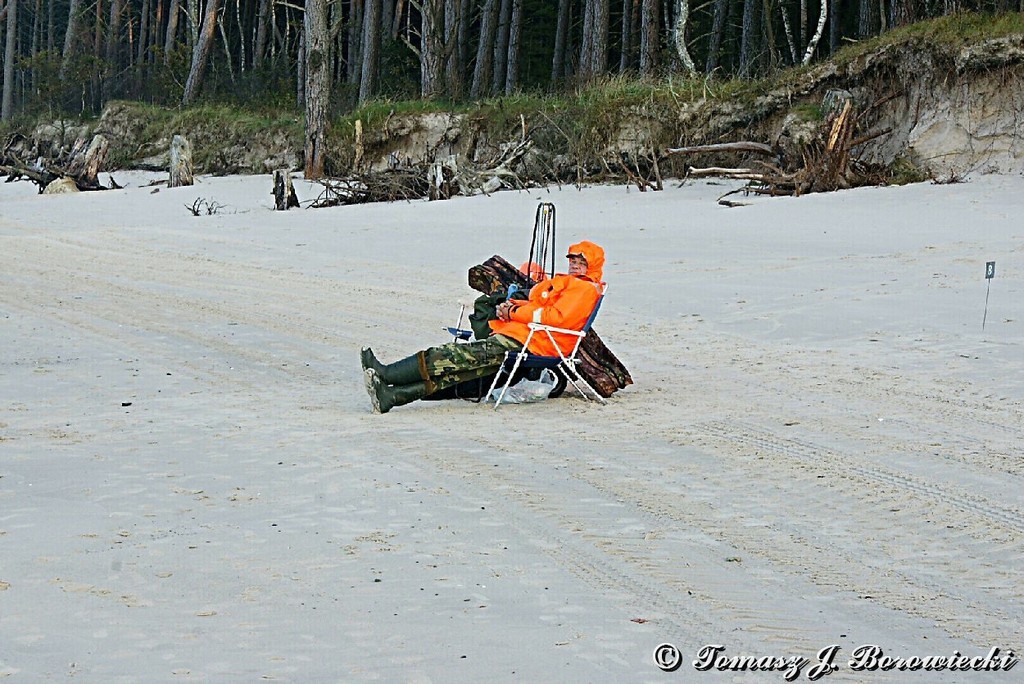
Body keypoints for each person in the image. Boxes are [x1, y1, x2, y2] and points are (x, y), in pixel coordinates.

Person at [361, 240, 605, 414]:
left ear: (592, 266)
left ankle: (387, 373)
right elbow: (539, 306)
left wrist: (513, 312)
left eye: (581, 261)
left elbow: (555, 317)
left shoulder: (583, 289)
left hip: (534, 343)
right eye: (573, 260)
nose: (574, 264)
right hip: (525, 337)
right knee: (460, 374)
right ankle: (391, 397)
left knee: (450, 355)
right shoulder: (568, 283)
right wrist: (510, 306)